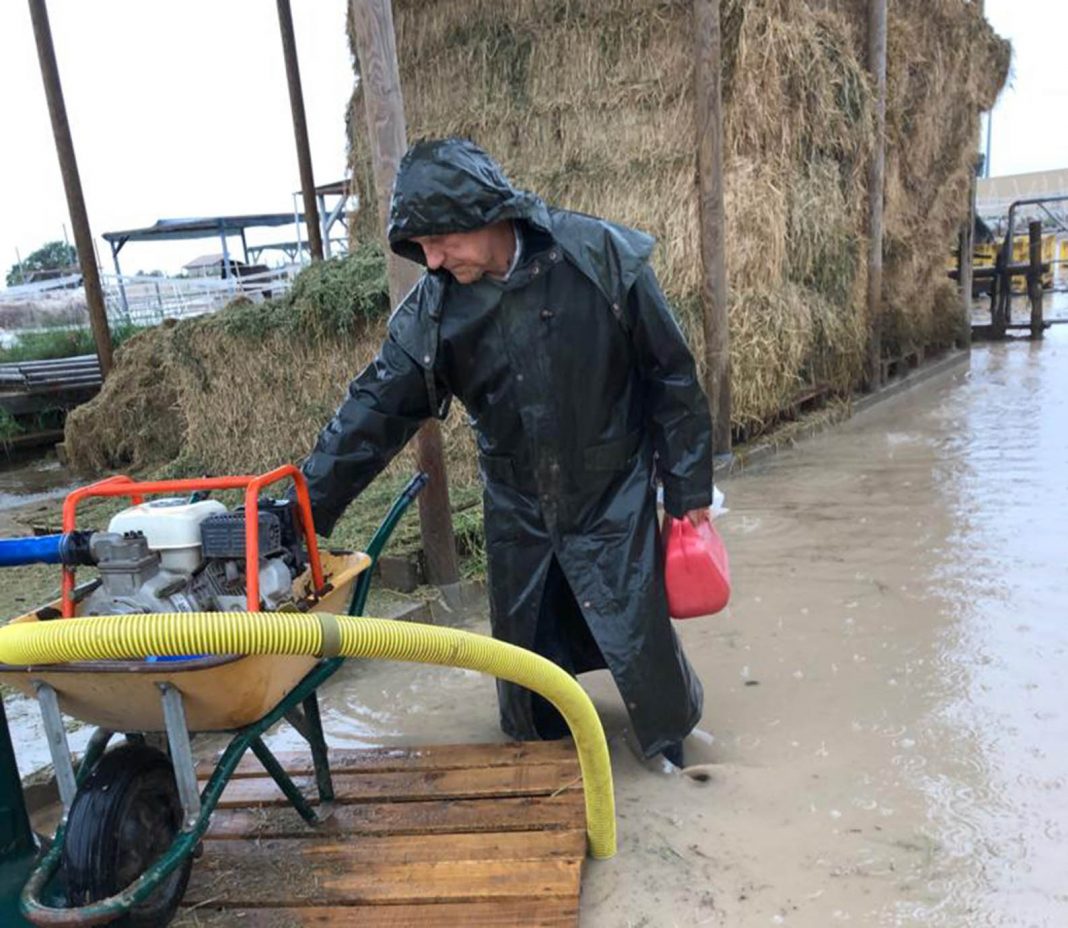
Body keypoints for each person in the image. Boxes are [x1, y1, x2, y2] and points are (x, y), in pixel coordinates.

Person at [298, 138, 712, 767]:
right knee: (527, 674)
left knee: (641, 641)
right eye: (421, 249)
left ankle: (672, 751)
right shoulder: (435, 307)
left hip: (614, 492)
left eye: (441, 242)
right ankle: (542, 761)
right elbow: (372, 413)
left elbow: (673, 377)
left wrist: (687, 493)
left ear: (488, 212)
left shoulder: (600, 257)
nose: (431, 261)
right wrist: (301, 510)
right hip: (517, 504)